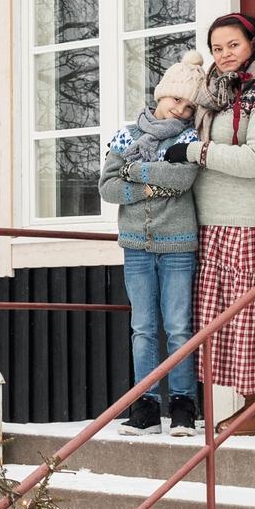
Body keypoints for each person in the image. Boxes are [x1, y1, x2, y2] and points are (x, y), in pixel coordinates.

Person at [161, 10, 255, 436]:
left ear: (253, 45)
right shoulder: (214, 92)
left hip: (254, 223)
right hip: (214, 222)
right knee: (230, 320)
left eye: (233, 45)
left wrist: (196, 153)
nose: (225, 54)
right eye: (216, 48)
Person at [100, 48, 207, 433]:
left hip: (178, 244)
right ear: (162, 94)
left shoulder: (191, 137)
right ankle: (144, 406)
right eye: (177, 99)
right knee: (143, 327)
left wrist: (135, 170)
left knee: (178, 326)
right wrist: (147, 190)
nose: (181, 110)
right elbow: (108, 187)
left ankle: (182, 405)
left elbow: (182, 180)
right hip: (135, 245)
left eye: (189, 105)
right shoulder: (124, 135)